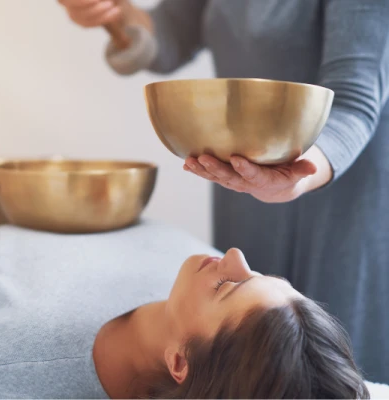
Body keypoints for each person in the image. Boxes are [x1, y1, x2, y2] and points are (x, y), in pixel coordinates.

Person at [57, 0, 389, 382]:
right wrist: (117, 16)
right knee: (235, 365)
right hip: (248, 182)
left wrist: (298, 176)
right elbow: (170, 35)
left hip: (340, 186)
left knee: (323, 365)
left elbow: (354, 99)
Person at [0, 221, 369, 398]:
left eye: (231, 287)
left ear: (179, 363)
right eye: (265, 274)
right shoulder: (198, 281)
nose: (235, 257)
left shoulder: (25, 352)